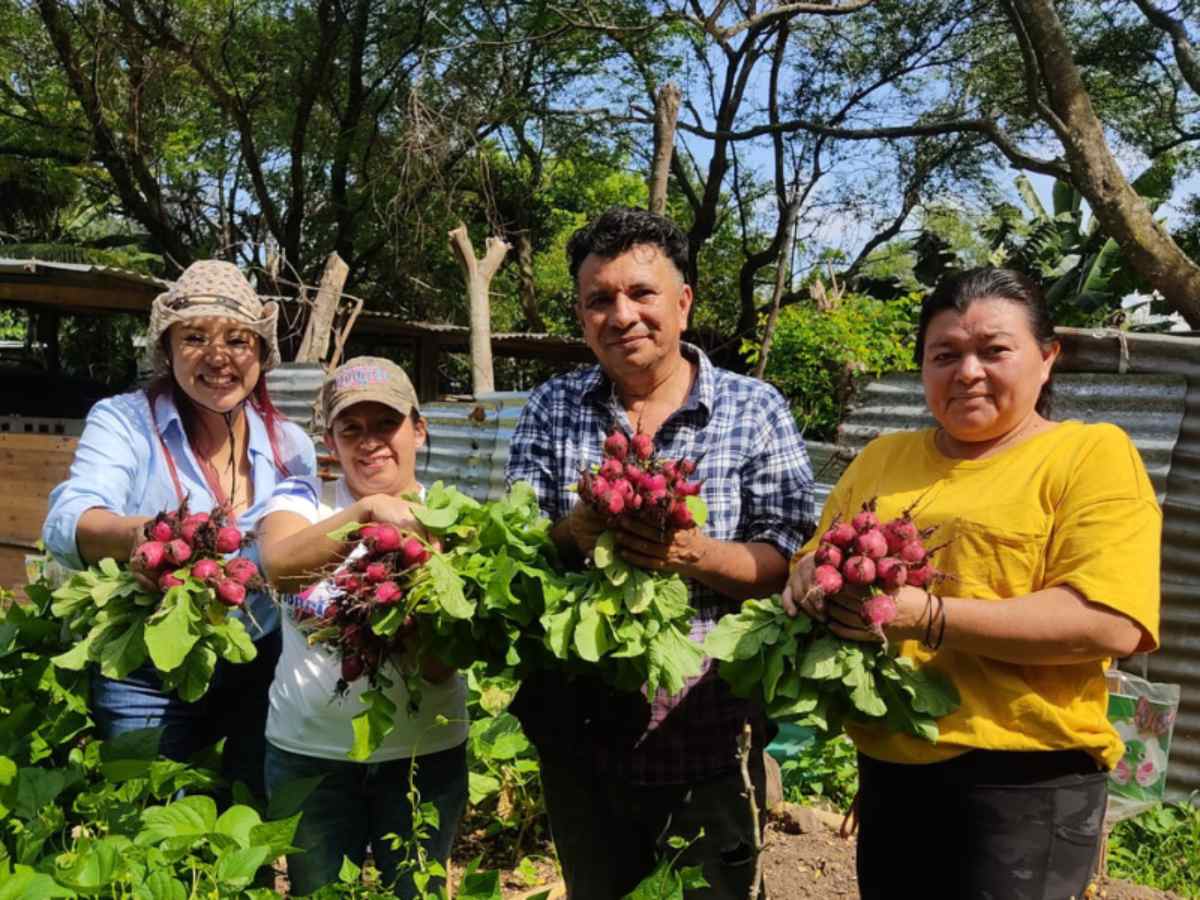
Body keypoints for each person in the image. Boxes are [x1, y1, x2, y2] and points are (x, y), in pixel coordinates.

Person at [782, 267, 1161, 900]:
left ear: (1047, 359)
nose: (967, 372)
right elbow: (820, 556)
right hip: (892, 770)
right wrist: (807, 582)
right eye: (945, 354)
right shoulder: (883, 457)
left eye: (994, 350)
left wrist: (928, 616)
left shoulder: (1088, 455)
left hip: (1025, 781)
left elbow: (1108, 621)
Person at [505, 207, 814, 898]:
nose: (623, 315)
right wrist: (573, 533)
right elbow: (517, 558)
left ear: (682, 303)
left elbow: (792, 563)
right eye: (599, 300)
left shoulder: (754, 408)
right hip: (581, 733)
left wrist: (695, 554)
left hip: (712, 728)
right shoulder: (553, 406)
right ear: (582, 315)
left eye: (641, 293)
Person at [43, 260, 315, 797]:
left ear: (260, 355)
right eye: (194, 338)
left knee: (249, 824)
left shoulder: (291, 447)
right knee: (152, 821)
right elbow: (67, 521)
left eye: (238, 340)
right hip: (147, 670)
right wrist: (142, 535)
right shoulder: (123, 421)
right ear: (166, 350)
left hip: (260, 661)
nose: (218, 358)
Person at [256, 357, 468, 899]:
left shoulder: (453, 516)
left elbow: (446, 664)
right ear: (330, 441)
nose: (369, 441)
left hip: (423, 756)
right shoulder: (302, 500)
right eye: (351, 428)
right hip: (309, 755)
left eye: (385, 424)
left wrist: (416, 596)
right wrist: (369, 512)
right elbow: (279, 566)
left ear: (418, 429)